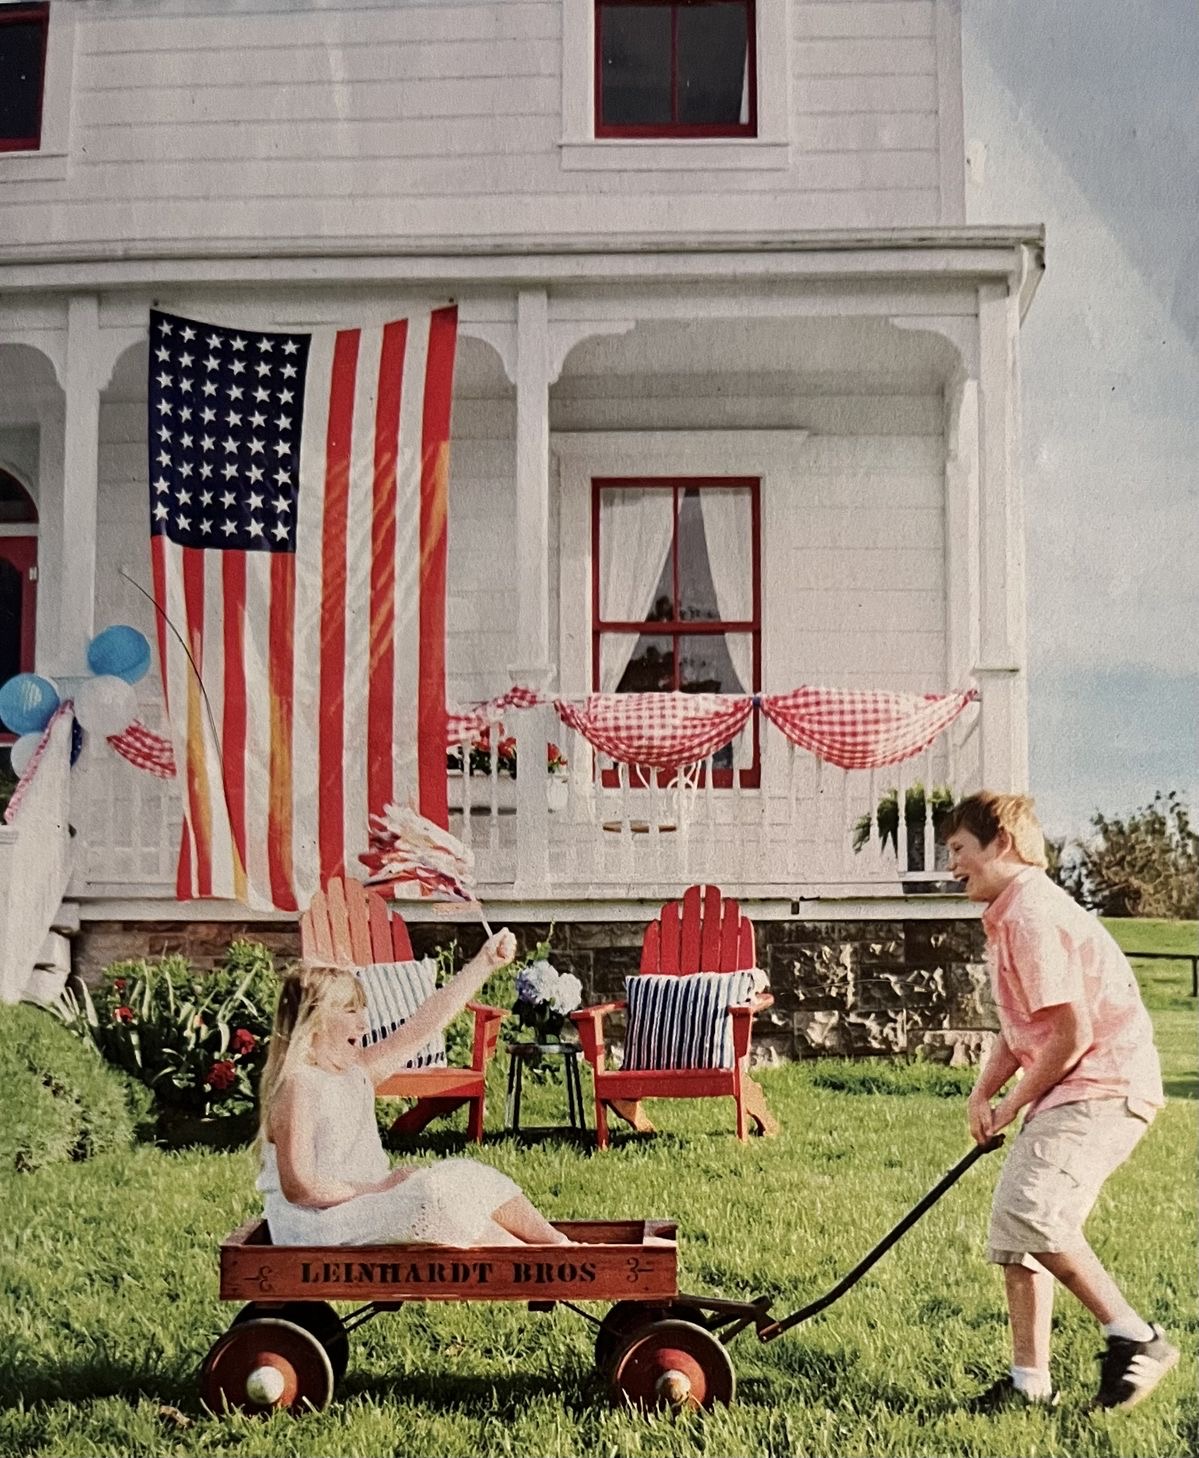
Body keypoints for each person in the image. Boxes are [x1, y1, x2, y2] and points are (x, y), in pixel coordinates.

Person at [943, 791, 1177, 1411]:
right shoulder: (1010, 914)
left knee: (1033, 1210)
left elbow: (1072, 1034)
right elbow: (1025, 1026)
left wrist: (1011, 1105)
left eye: (959, 849)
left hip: (1103, 1084)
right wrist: (982, 1093)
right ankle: (1030, 1385)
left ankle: (1137, 1337)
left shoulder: (1031, 915)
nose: (952, 864)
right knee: (1017, 1231)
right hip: (1075, 1087)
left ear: (1002, 843)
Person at [257, 931, 571, 1248]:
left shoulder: (355, 1073)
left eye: (362, 1009)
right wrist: (382, 1188)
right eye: (350, 1011)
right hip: (317, 1224)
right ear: (314, 1020)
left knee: (466, 1175)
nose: (363, 1024)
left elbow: (423, 1026)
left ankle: (561, 1247)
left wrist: (485, 961)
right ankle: (534, 1262)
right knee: (433, 1200)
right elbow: (300, 1188)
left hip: (359, 1208)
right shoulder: (300, 1085)